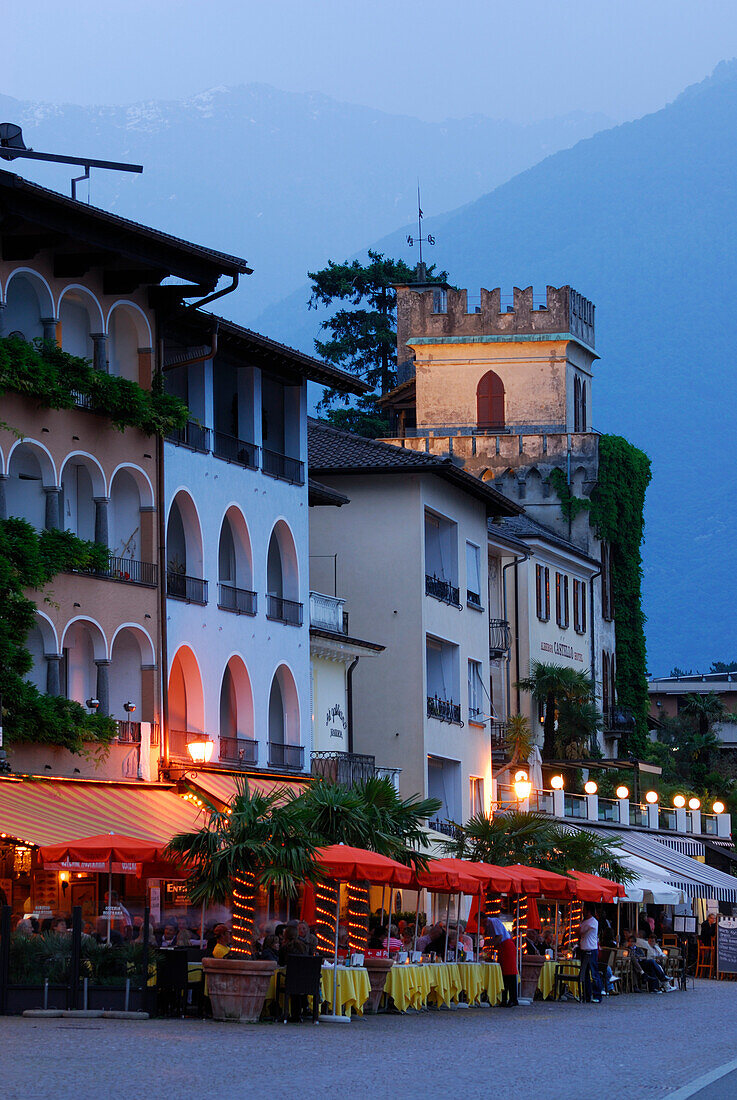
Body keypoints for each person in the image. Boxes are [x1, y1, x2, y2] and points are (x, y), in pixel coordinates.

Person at [488, 917, 518, 1007]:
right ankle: (505, 998)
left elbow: (499, 936)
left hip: (506, 946)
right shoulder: (490, 924)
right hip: (503, 947)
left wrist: (491, 946)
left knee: (509, 974)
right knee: (504, 974)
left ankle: (513, 999)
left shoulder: (493, 921)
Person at [578, 904, 603, 1004]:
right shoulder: (585, 921)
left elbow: (580, 931)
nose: (583, 911)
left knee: (593, 973)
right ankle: (587, 995)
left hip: (591, 950)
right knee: (585, 974)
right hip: (584, 949)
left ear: (588, 911)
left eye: (584, 910)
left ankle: (597, 994)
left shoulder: (593, 922)